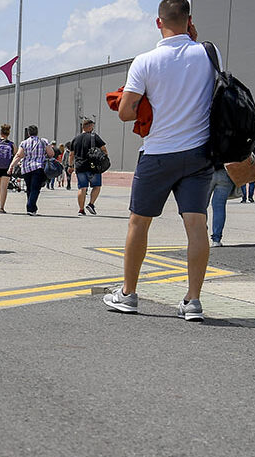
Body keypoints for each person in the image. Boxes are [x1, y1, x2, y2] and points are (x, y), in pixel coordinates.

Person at [103, 0, 218, 322]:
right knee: (196, 225)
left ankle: (128, 293)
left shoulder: (145, 62)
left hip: (157, 153)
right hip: (198, 153)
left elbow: (126, 112)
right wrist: (195, 39)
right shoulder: (209, 53)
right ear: (189, 20)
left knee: (139, 223)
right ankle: (193, 301)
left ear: (158, 22)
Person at [8, 125, 55, 216]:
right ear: (37, 132)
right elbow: (51, 154)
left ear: (28, 133)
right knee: (35, 189)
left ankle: (31, 207)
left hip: (26, 168)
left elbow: (19, 155)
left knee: (29, 188)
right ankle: (31, 207)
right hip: (38, 168)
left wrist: (11, 166)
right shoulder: (43, 141)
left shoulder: (24, 143)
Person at [70, 118, 108, 215]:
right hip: (93, 167)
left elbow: (71, 154)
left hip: (79, 166)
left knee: (82, 188)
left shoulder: (75, 139)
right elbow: (104, 150)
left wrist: (70, 166)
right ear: (89, 126)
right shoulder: (94, 137)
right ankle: (91, 204)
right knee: (97, 186)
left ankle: (81, 210)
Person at [208, 163, 235, 247]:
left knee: (200, 207)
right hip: (225, 173)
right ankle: (216, 239)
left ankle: (200, 236)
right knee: (219, 207)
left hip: (206, 173)